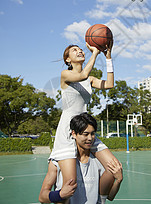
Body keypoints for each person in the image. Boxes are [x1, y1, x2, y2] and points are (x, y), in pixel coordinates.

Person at [48, 42, 119, 200]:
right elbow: (82, 76)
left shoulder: (90, 79)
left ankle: (100, 199)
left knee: (114, 167)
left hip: (86, 129)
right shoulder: (65, 75)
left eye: (80, 49)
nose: (80, 51)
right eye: (74, 50)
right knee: (70, 184)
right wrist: (95, 52)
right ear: (68, 59)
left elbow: (110, 84)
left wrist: (107, 57)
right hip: (68, 130)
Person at [39, 113, 123, 203]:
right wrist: (60, 195)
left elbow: (109, 196)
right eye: (85, 134)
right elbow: (42, 197)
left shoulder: (99, 162)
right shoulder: (58, 162)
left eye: (93, 134)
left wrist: (118, 180)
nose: (90, 138)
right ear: (74, 134)